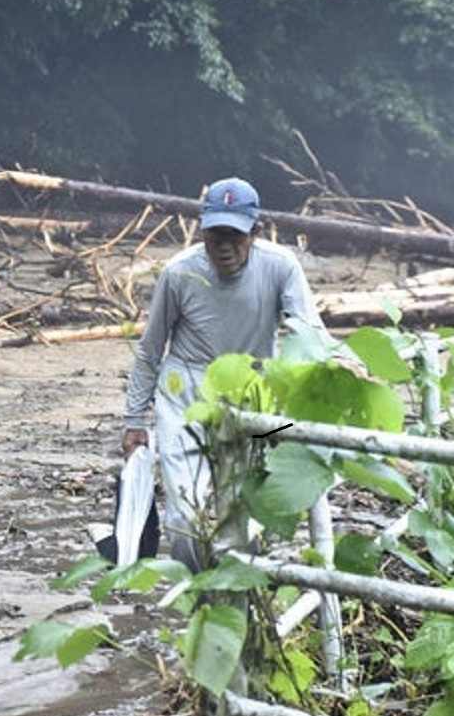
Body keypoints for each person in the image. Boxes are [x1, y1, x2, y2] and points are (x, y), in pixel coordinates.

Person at [121, 177, 326, 571]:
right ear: (202, 233)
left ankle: (239, 604)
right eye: (216, 237)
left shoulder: (280, 267)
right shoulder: (180, 273)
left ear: (256, 231)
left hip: (250, 396)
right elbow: (150, 348)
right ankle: (197, 598)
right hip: (186, 396)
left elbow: (308, 330)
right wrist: (134, 420)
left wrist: (334, 370)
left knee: (240, 515)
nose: (225, 248)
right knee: (184, 518)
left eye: (235, 236)